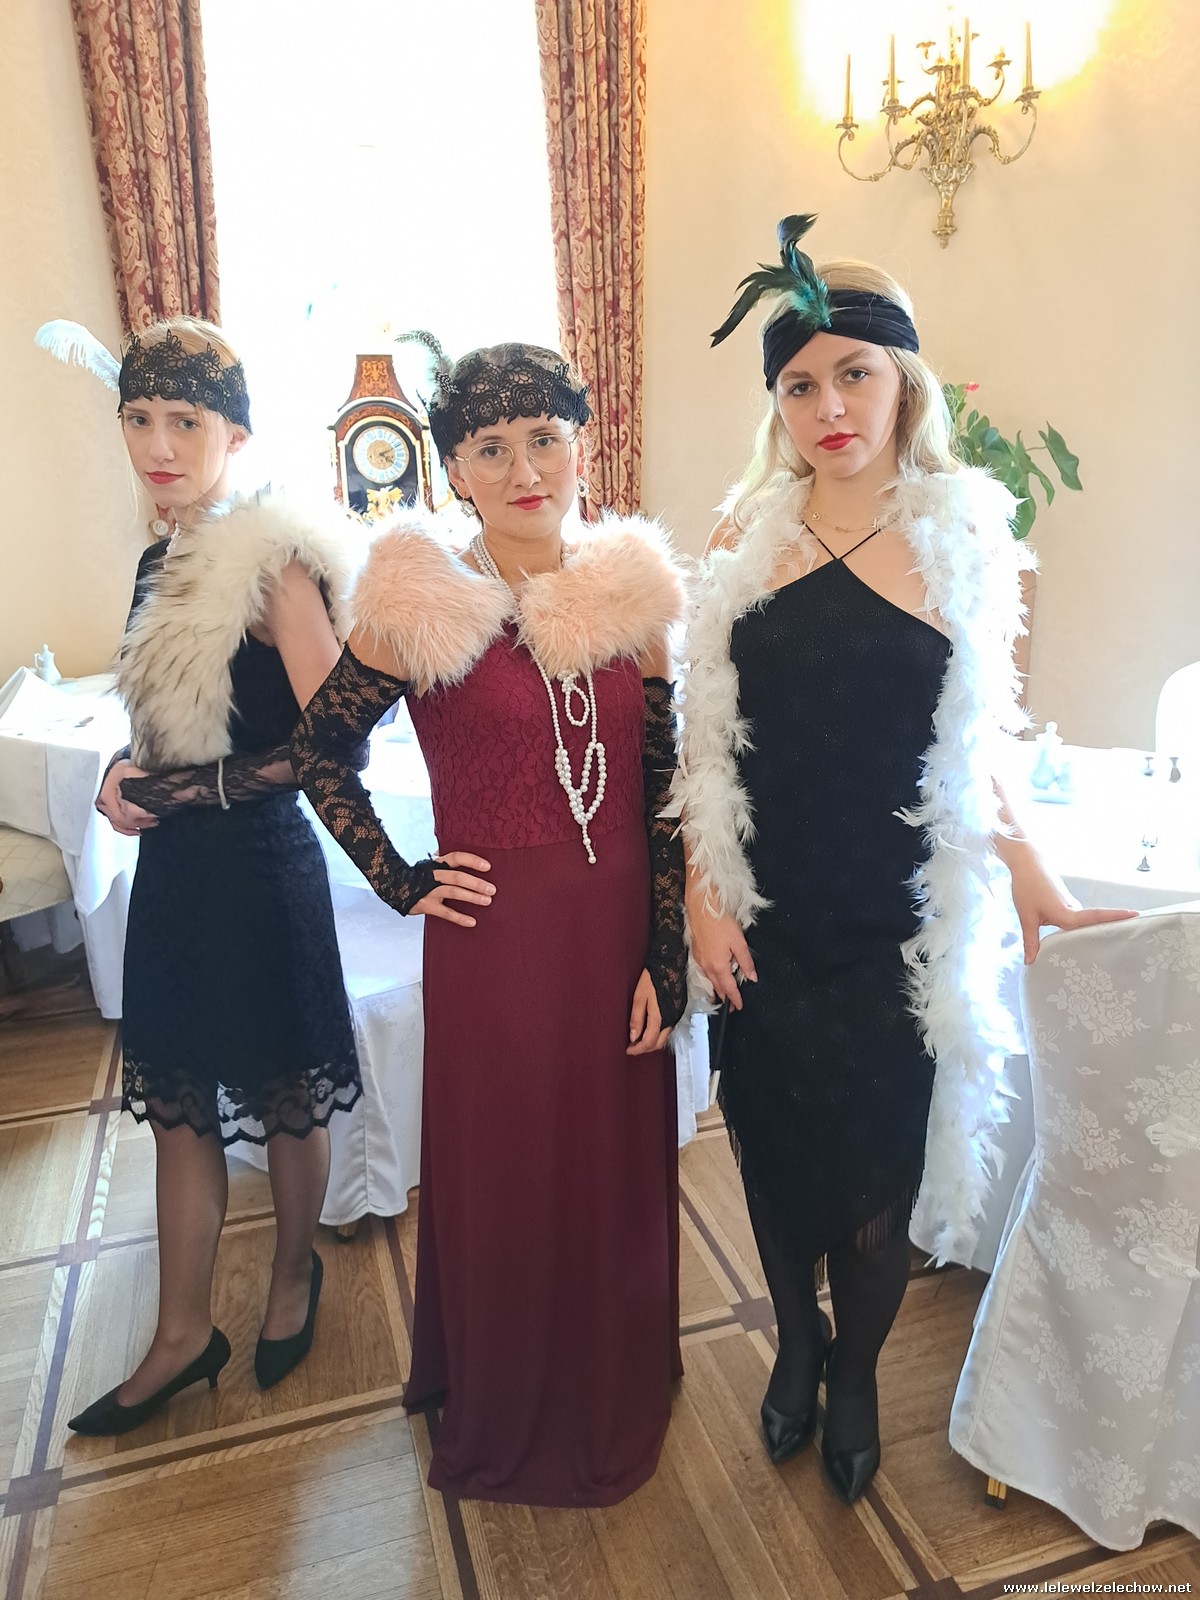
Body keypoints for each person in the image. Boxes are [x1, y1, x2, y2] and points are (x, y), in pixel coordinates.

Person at [674, 215, 1134, 1503]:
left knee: (879, 1178)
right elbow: (702, 740)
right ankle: (797, 1341)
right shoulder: (743, 538)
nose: (830, 407)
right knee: (772, 1157)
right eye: (799, 384)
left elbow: (979, 748)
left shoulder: (963, 543)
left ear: (903, 382)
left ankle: (859, 1371)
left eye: (854, 374)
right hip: (767, 912)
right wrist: (704, 898)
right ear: (777, 403)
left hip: (894, 927)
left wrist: (1039, 885)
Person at [290, 339, 687, 1506]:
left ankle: (612, 1371)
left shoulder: (633, 592)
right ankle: (510, 1396)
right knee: (512, 1165)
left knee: (610, 1163)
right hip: (498, 942)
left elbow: (665, 786)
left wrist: (667, 954)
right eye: (492, 447)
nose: (525, 470)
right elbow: (319, 752)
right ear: (454, 469)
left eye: (545, 439)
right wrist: (398, 876)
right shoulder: (419, 597)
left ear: (581, 446)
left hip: (616, 928)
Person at [36, 317, 362, 1434]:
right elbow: (165, 727)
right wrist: (125, 772)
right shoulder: (154, 560)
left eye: (186, 420)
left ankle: (292, 1275)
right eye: (139, 418)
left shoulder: (272, 562)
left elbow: (336, 743)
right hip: (175, 877)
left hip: (262, 867)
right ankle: (182, 1335)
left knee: (285, 1094)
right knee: (177, 1105)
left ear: (236, 433)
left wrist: (176, 792)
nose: (159, 444)